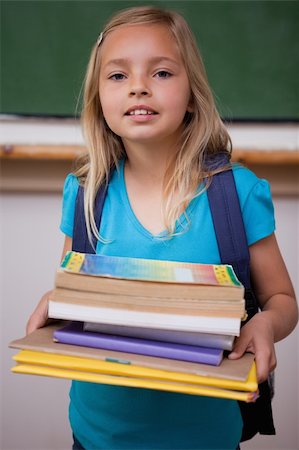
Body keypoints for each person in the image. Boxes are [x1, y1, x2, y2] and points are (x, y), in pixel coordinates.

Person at [26, 6, 298, 450]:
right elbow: (76, 291)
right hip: (96, 436)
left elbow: (283, 300)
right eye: (117, 76)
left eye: (162, 73)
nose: (138, 86)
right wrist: (56, 299)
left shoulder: (238, 195)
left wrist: (266, 324)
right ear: (98, 99)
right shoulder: (83, 192)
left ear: (192, 93)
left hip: (207, 438)